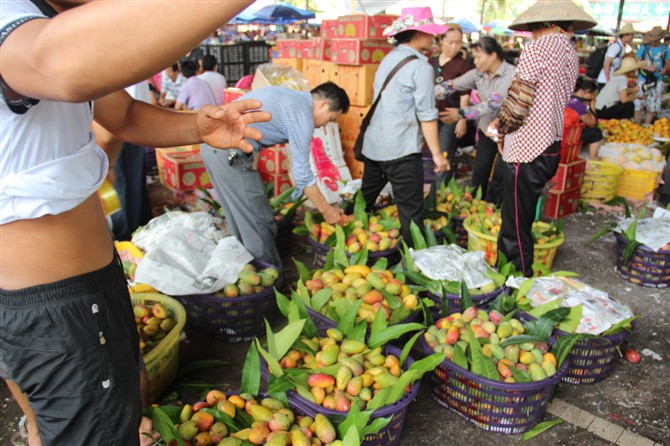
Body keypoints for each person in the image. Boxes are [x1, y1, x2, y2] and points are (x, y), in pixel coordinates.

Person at [0, 1, 270, 446]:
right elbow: (55, 63)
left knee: (107, 416)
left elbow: (123, 115)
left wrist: (196, 127)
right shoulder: (14, 17)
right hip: (48, 302)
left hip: (89, 285)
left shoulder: (45, 17)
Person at [491, 0, 596, 276]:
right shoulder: (569, 51)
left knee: (515, 225)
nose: (531, 34)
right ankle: (514, 274)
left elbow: (519, 101)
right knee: (522, 218)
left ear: (543, 24)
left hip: (526, 147)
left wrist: (502, 129)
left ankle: (516, 279)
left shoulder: (538, 47)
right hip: (550, 145)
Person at [201, 82, 349, 268]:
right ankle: (268, 276)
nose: (325, 125)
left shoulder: (291, 97)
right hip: (228, 153)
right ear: (324, 105)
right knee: (259, 223)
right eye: (330, 118)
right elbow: (303, 177)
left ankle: (246, 269)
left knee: (240, 219)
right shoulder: (303, 116)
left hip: (213, 147)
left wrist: (252, 169)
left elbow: (257, 129)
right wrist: (327, 210)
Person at [361, 6, 449, 245]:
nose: (434, 37)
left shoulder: (389, 59)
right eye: (430, 32)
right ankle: (411, 260)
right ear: (419, 34)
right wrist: (438, 156)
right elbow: (427, 115)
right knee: (411, 213)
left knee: (364, 201)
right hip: (401, 150)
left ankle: (350, 243)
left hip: (374, 146)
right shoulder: (421, 67)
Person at [439, 36, 516, 201]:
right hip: (486, 130)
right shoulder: (477, 74)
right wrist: (431, 91)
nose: (475, 61)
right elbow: (453, 85)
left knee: (501, 175)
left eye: (478, 57)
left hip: (508, 134)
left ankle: (494, 208)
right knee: (480, 171)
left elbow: (494, 103)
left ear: (493, 55)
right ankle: (474, 206)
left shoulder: (511, 74)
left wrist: (461, 114)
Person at [93, 81, 155, 241]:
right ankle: (134, 232)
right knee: (133, 183)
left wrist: (108, 166)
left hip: (119, 128)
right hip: (135, 127)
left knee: (121, 188)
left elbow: (107, 136)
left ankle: (125, 236)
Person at [432, 24, 473, 186]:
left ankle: (438, 194)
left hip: (450, 117)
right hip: (430, 116)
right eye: (450, 42)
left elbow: (465, 94)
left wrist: (462, 118)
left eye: (458, 42)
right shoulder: (431, 62)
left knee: (444, 155)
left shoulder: (463, 65)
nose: (455, 47)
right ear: (441, 41)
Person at [634, 26, 670, 125]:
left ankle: (646, 125)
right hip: (643, 79)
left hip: (657, 80)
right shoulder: (644, 47)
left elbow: (667, 63)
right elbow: (635, 62)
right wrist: (648, 68)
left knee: (653, 105)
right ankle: (637, 125)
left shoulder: (666, 49)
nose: (653, 42)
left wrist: (665, 69)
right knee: (638, 104)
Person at [567, 76, 604, 160]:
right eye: (591, 94)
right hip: (568, 135)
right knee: (596, 132)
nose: (592, 96)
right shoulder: (577, 105)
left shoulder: (570, 99)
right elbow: (592, 123)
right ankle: (593, 158)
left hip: (563, 132)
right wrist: (593, 105)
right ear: (581, 92)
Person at [596, 23, 635, 90]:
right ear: (626, 35)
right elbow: (607, 63)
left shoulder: (621, 46)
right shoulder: (616, 47)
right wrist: (608, 81)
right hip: (605, 79)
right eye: (632, 35)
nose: (632, 37)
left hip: (610, 78)